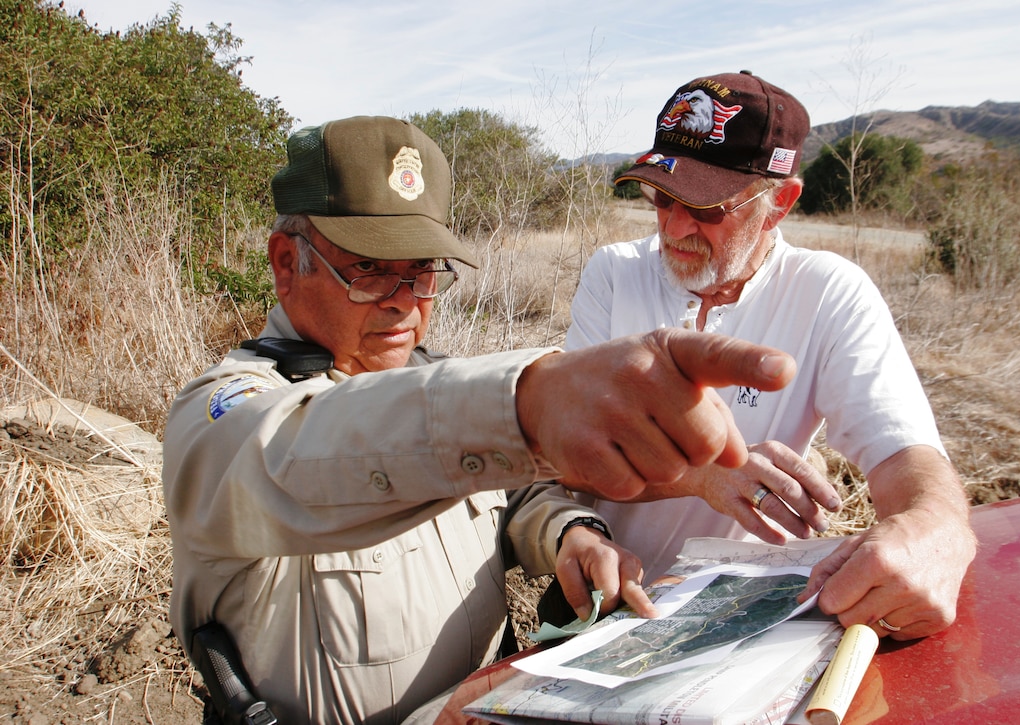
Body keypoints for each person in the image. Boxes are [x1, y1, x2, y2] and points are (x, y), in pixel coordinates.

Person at [162, 115, 799, 724]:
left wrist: (569, 534)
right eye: (369, 271)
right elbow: (294, 453)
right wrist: (525, 403)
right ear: (285, 263)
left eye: (421, 274)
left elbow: (510, 495)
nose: (403, 304)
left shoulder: (432, 380)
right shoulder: (221, 411)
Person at [564, 71, 977, 640]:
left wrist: (938, 528)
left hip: (741, 617)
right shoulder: (614, 272)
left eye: (708, 208)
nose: (675, 226)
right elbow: (567, 454)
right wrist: (700, 473)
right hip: (607, 602)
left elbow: (904, 451)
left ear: (779, 202)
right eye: (662, 195)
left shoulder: (829, 290)